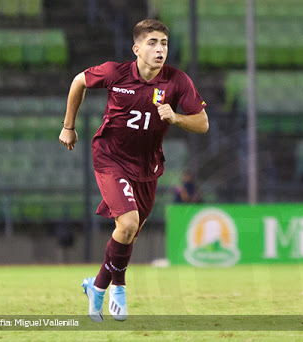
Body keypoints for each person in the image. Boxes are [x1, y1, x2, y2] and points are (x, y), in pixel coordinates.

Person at [59, 19, 208, 322]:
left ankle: (96, 284)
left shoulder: (177, 81)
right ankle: (118, 287)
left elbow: (203, 123)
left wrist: (176, 118)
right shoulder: (116, 72)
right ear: (136, 49)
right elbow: (79, 82)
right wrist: (68, 127)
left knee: (128, 234)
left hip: (148, 167)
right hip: (110, 157)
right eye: (152, 43)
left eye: (164, 43)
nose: (159, 49)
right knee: (127, 224)